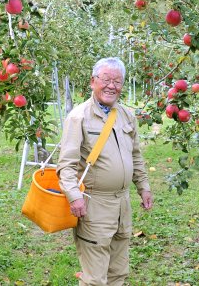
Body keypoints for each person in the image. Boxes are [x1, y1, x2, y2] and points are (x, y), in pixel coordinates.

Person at [57, 57, 153, 285]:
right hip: (94, 205)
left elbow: (136, 156)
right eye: (106, 79)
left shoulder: (126, 115)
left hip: (122, 204)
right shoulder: (79, 117)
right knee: (95, 279)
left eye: (117, 81)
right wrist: (74, 196)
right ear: (93, 82)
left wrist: (144, 186)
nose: (112, 86)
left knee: (118, 272)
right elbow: (66, 165)